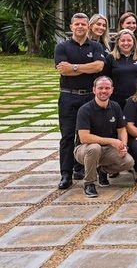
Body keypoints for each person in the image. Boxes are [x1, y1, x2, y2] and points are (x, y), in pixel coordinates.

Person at [55, 13, 107, 190]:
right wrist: (86, 68)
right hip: (68, 96)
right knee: (68, 135)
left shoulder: (96, 45)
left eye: (83, 24)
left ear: (88, 27)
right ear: (71, 27)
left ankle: (89, 171)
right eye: (76, 24)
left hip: (89, 97)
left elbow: (99, 66)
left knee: (90, 135)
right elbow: (63, 71)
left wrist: (74, 67)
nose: (80, 27)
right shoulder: (62, 47)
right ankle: (66, 174)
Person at [73, 76, 135, 197]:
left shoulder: (115, 106)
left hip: (107, 149)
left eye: (107, 88)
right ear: (94, 90)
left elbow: (122, 129)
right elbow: (84, 138)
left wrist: (123, 146)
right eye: (100, 88)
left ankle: (102, 171)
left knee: (129, 162)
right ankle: (89, 183)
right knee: (95, 148)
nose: (104, 91)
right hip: (84, 149)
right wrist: (112, 141)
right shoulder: (85, 110)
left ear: (112, 90)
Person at [104, 29, 137, 109]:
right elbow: (105, 78)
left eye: (129, 40)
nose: (126, 43)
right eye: (123, 40)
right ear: (118, 42)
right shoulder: (110, 57)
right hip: (116, 99)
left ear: (134, 42)